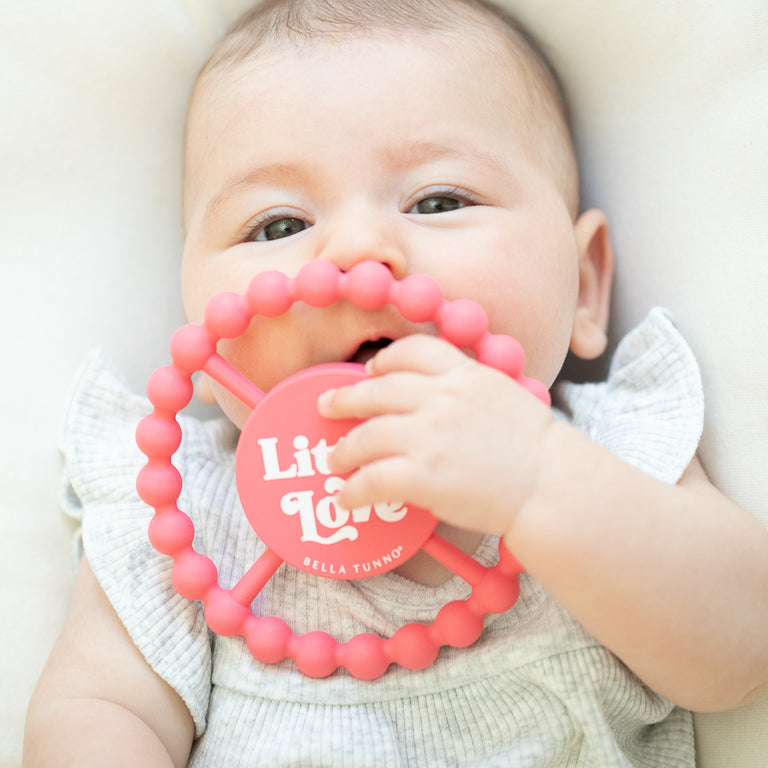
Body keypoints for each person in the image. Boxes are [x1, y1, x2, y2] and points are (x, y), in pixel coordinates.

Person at [23, 0, 768, 765]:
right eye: (279, 227)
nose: (356, 251)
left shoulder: (615, 460)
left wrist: (536, 479)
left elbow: (742, 652)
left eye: (439, 202)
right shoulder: (184, 513)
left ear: (584, 285)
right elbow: (97, 707)